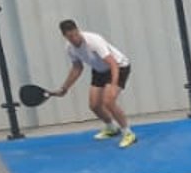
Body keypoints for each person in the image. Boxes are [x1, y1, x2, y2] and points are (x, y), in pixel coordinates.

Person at [49, 19, 136, 147]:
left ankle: (128, 133)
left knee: (109, 101)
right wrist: (65, 88)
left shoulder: (93, 41)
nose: (74, 38)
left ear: (78, 30)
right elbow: (77, 68)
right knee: (94, 105)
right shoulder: (70, 48)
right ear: (64, 36)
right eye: (69, 37)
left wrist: (113, 85)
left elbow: (112, 64)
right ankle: (111, 128)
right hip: (99, 70)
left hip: (119, 66)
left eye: (75, 34)